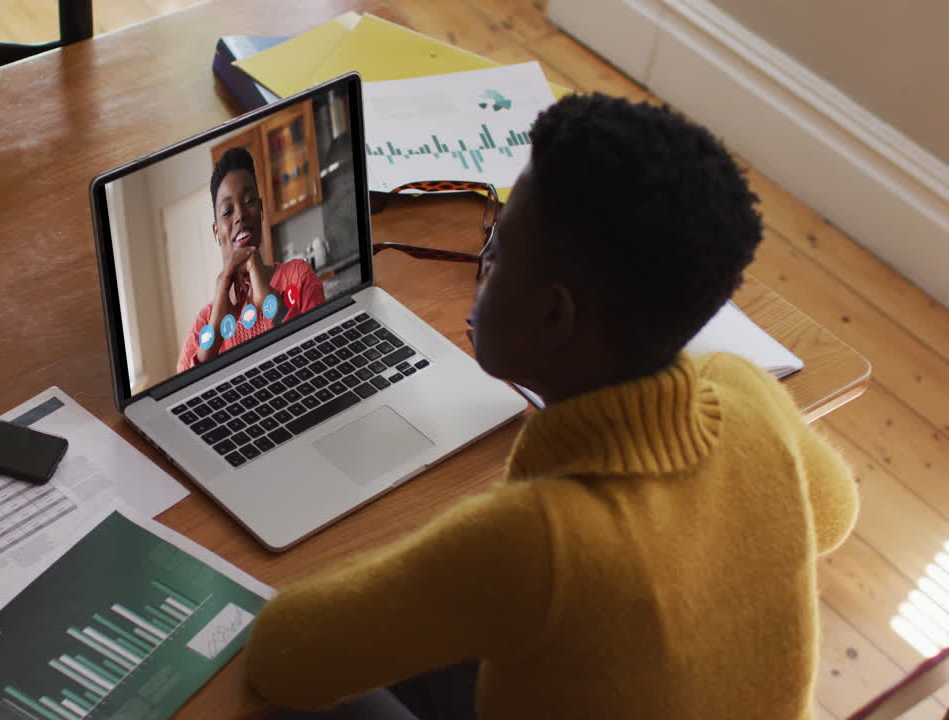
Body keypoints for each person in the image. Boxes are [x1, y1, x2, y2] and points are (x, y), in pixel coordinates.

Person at [244, 94, 858, 719]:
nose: (483, 265)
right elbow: (835, 511)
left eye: (499, 251)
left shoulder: (535, 542)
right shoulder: (746, 393)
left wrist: (439, 557)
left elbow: (281, 654)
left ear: (554, 313)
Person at [177, 147, 325, 373]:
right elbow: (184, 400)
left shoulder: (299, 275)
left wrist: (271, 302)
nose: (240, 215)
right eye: (227, 211)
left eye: (248, 201)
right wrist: (216, 327)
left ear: (262, 209)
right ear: (217, 232)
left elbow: (320, 360)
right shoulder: (203, 324)